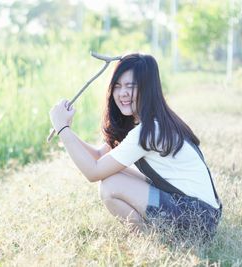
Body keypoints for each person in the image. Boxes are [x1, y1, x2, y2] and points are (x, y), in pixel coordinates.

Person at [49, 53, 222, 238]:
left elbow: (93, 172)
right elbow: (100, 157)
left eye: (131, 86)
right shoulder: (148, 122)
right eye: (117, 86)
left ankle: (149, 240)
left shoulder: (148, 131)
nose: (122, 93)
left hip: (198, 218)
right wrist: (67, 129)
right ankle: (152, 235)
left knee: (110, 185)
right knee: (112, 174)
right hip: (204, 213)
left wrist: (63, 129)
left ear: (147, 89)